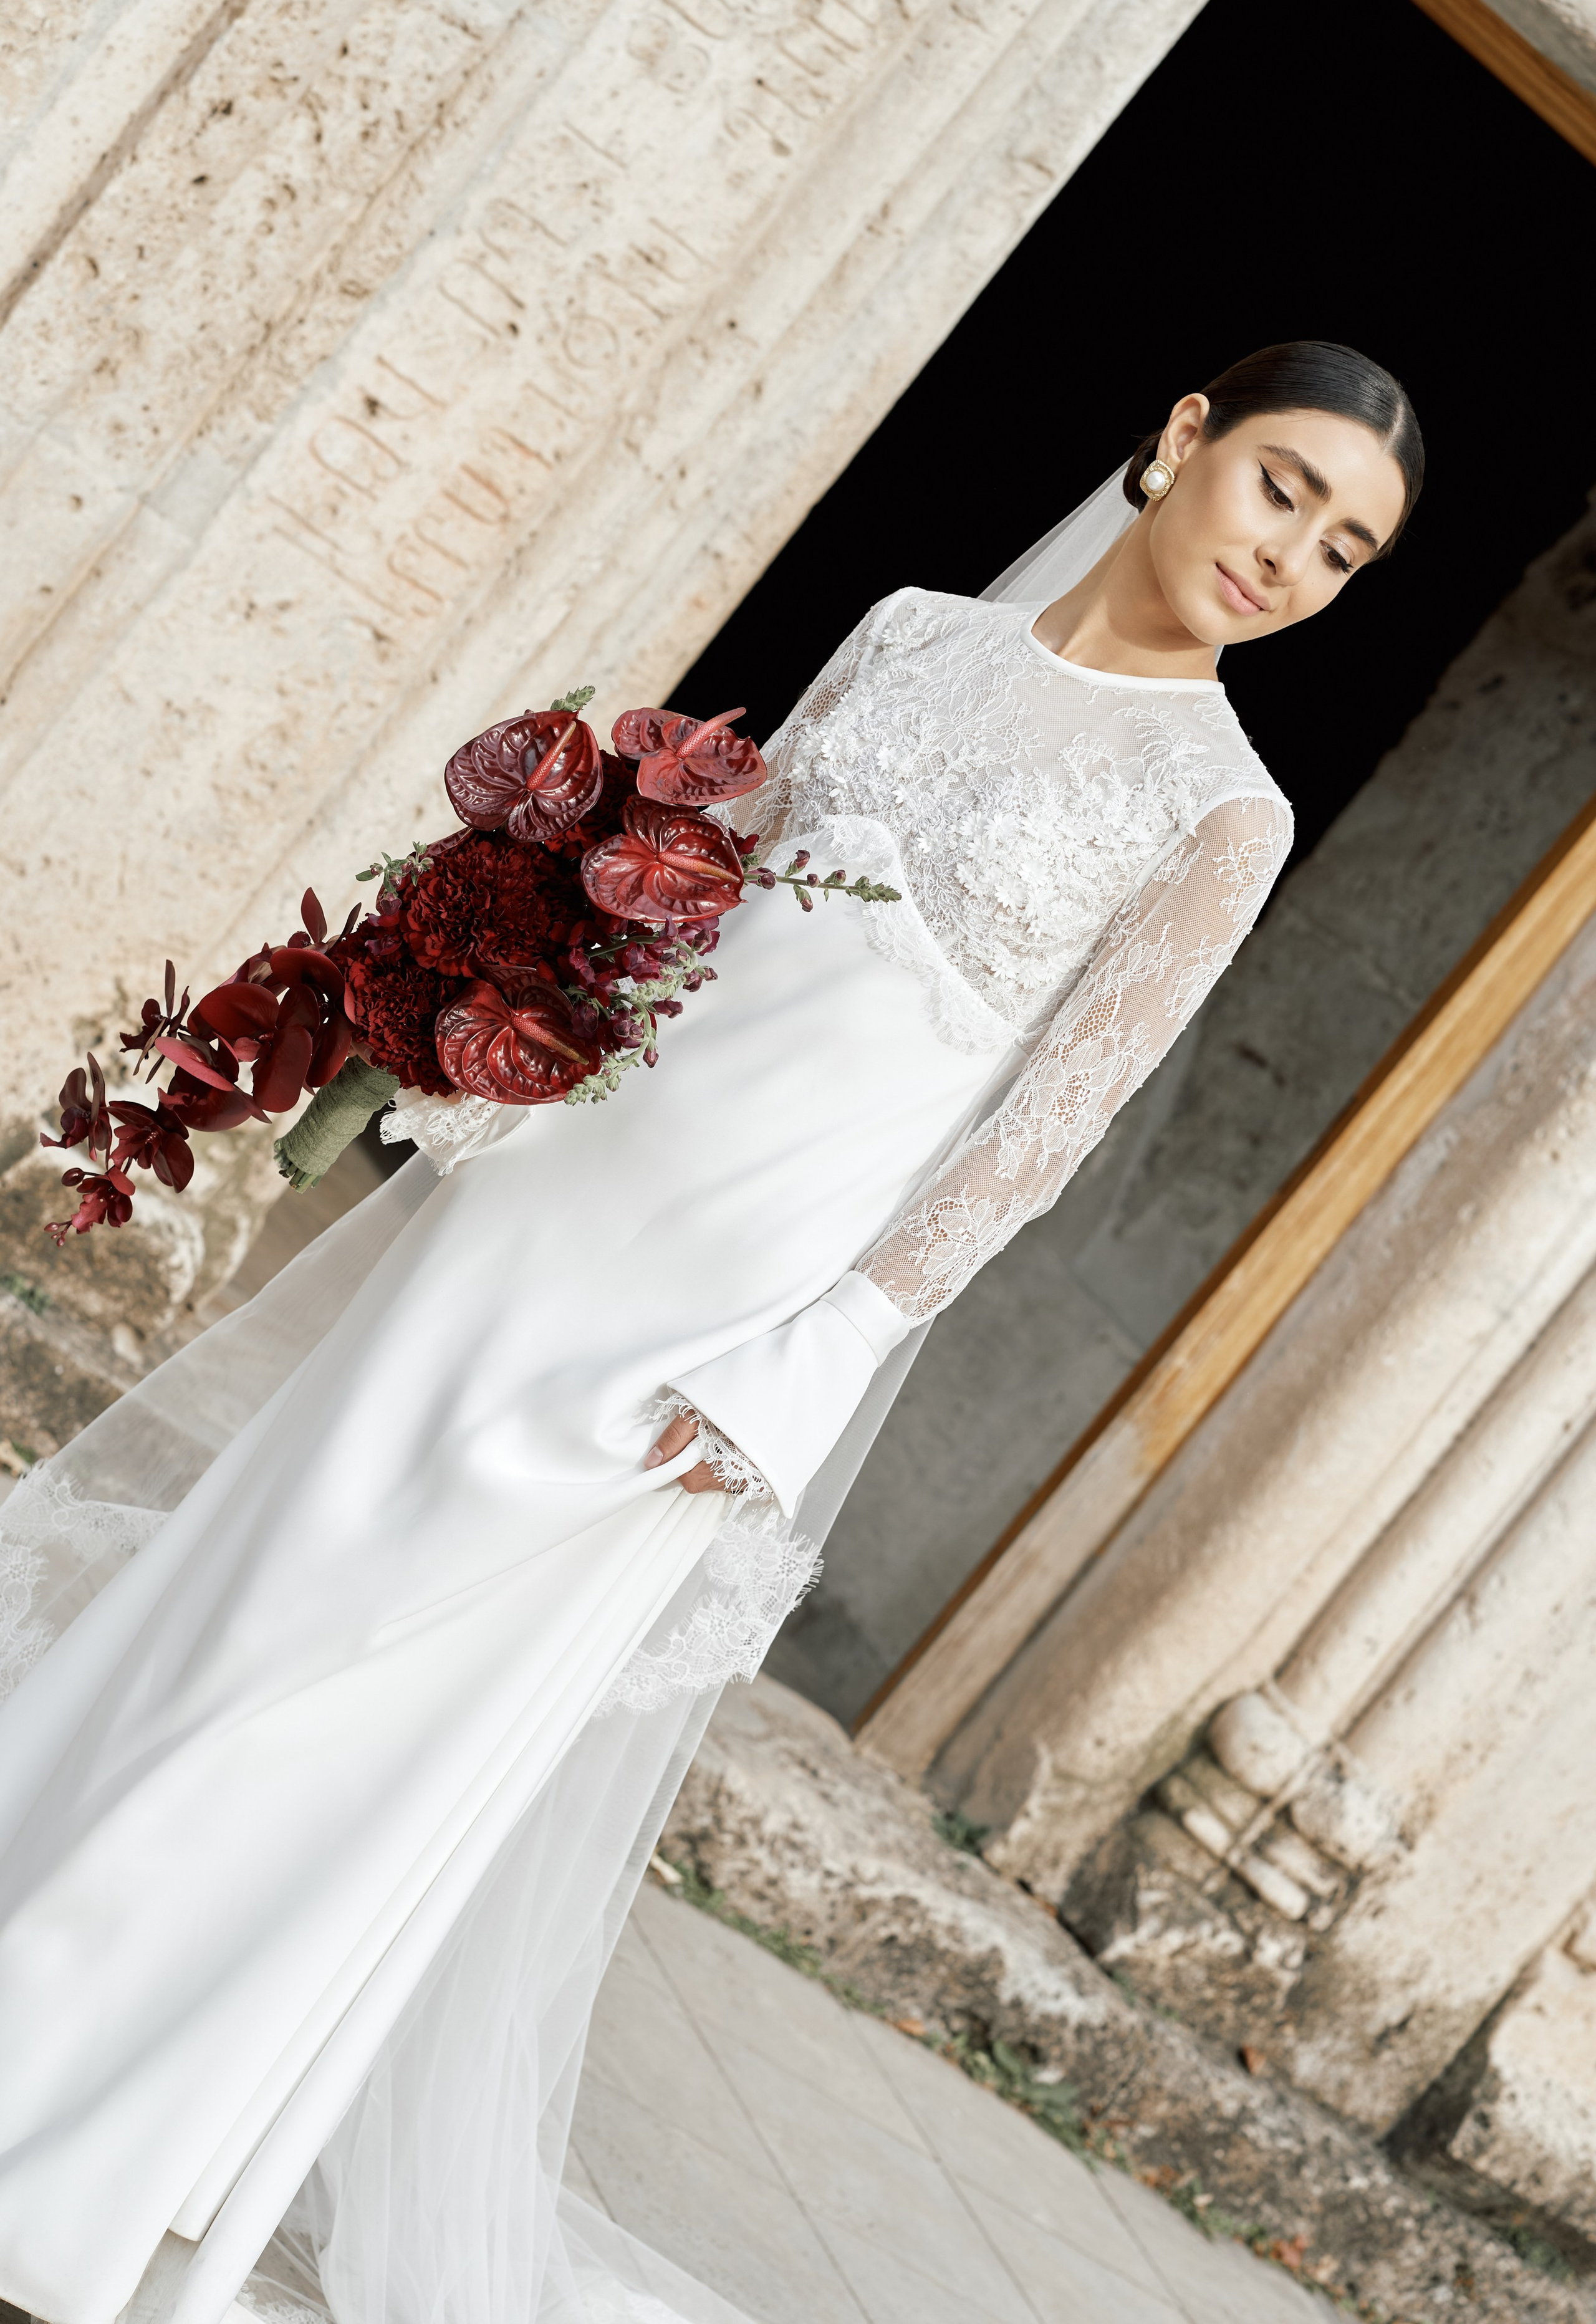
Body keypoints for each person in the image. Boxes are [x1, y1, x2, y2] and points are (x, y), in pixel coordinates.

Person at [0, 340, 1420, 2324]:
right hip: (568, 1200)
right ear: (1186, 438)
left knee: (384, 1696)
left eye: (1344, 550)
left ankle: (92, 2145)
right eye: (1284, 486)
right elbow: (700, 890)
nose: (1292, 555)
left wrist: (816, 1353)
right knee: (266, 1582)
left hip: (728, 1306)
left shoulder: (1221, 813)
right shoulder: (915, 632)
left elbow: (1039, 1139)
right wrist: (507, 1017)